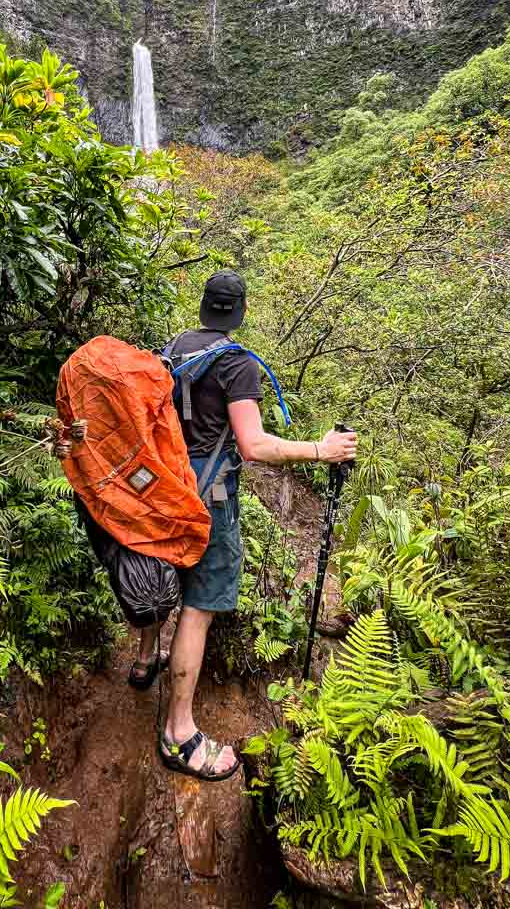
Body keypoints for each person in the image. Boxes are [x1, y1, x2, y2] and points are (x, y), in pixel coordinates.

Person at [130, 270, 358, 782]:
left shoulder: (174, 349)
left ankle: (145, 661)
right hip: (206, 500)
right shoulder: (236, 364)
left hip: (160, 491)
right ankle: (179, 732)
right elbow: (254, 445)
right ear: (240, 313)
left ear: (205, 307)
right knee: (199, 605)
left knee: (153, 580)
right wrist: (322, 450)